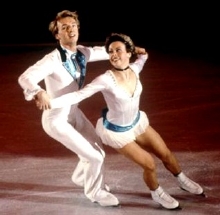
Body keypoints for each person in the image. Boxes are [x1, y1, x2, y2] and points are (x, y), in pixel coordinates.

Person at [48, 33, 205, 210]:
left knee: (166, 154)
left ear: (128, 53)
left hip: (137, 123)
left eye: (118, 50)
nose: (114, 54)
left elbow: (143, 58)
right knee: (150, 164)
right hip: (117, 132)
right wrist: (51, 102)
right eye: (110, 51)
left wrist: (141, 52)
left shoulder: (135, 69)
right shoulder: (105, 79)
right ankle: (157, 193)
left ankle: (182, 180)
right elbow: (79, 95)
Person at [18, 10, 120, 207]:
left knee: (98, 148)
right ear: (57, 35)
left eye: (73, 25)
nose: (70, 29)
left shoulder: (82, 52)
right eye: (64, 27)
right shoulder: (53, 59)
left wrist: (131, 50)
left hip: (74, 113)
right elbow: (25, 78)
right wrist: (39, 92)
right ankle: (95, 192)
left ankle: (82, 178)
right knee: (94, 157)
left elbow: (105, 51)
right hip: (56, 119)